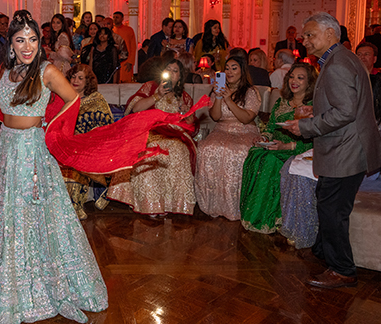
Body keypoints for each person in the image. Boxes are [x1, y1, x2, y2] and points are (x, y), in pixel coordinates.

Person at [0, 10, 108, 324]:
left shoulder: (46, 71)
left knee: (37, 218)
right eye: (20, 40)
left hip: (33, 152)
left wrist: (52, 132)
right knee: (8, 219)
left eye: (32, 39)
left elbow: (73, 101)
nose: (27, 45)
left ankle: (47, 285)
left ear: (39, 42)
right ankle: (9, 291)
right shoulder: (5, 72)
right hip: (6, 150)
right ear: (11, 44)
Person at [282, 12, 381, 289]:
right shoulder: (341, 58)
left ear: (330, 34)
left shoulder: (338, 64)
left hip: (345, 150)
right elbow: (344, 104)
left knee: (332, 211)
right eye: (304, 35)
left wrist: (305, 127)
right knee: (329, 203)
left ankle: (342, 270)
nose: (304, 40)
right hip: (348, 147)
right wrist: (314, 111)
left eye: (310, 34)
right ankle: (324, 252)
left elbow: (345, 112)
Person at [108, 58, 197, 216]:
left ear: (180, 77)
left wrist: (187, 116)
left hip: (175, 135)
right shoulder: (151, 87)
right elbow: (135, 109)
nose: (171, 73)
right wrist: (156, 96)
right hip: (151, 133)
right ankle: (150, 204)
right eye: (168, 69)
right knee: (149, 152)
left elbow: (191, 126)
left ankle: (171, 204)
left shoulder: (185, 98)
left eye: (175, 71)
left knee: (178, 151)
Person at [239, 63, 316, 234]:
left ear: (309, 82)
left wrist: (286, 146)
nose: (293, 81)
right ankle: (252, 213)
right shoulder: (282, 101)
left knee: (269, 160)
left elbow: (314, 140)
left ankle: (269, 218)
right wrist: (264, 137)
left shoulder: (313, 106)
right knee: (255, 153)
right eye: (292, 76)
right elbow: (270, 127)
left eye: (300, 78)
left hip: (298, 149)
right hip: (276, 146)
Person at [194, 55, 261, 220]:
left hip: (245, 130)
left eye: (234, 68)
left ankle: (236, 206)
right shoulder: (218, 90)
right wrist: (218, 96)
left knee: (238, 151)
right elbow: (216, 117)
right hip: (221, 129)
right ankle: (213, 204)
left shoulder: (251, 91)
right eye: (227, 68)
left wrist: (229, 99)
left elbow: (246, 118)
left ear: (242, 71)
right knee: (207, 148)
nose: (229, 71)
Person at [61, 64, 113, 219]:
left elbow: (105, 126)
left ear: (87, 82)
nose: (75, 80)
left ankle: (74, 206)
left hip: (86, 146)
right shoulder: (60, 98)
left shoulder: (96, 100)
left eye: (80, 78)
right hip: (63, 144)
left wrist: (83, 138)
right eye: (73, 76)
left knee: (76, 162)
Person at [112, 11, 137, 82]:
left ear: (122, 18)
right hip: (115, 61)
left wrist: (130, 61)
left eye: (117, 17)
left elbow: (133, 47)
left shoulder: (129, 30)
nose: (115, 19)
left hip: (126, 61)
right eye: (114, 17)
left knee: (126, 82)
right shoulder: (111, 31)